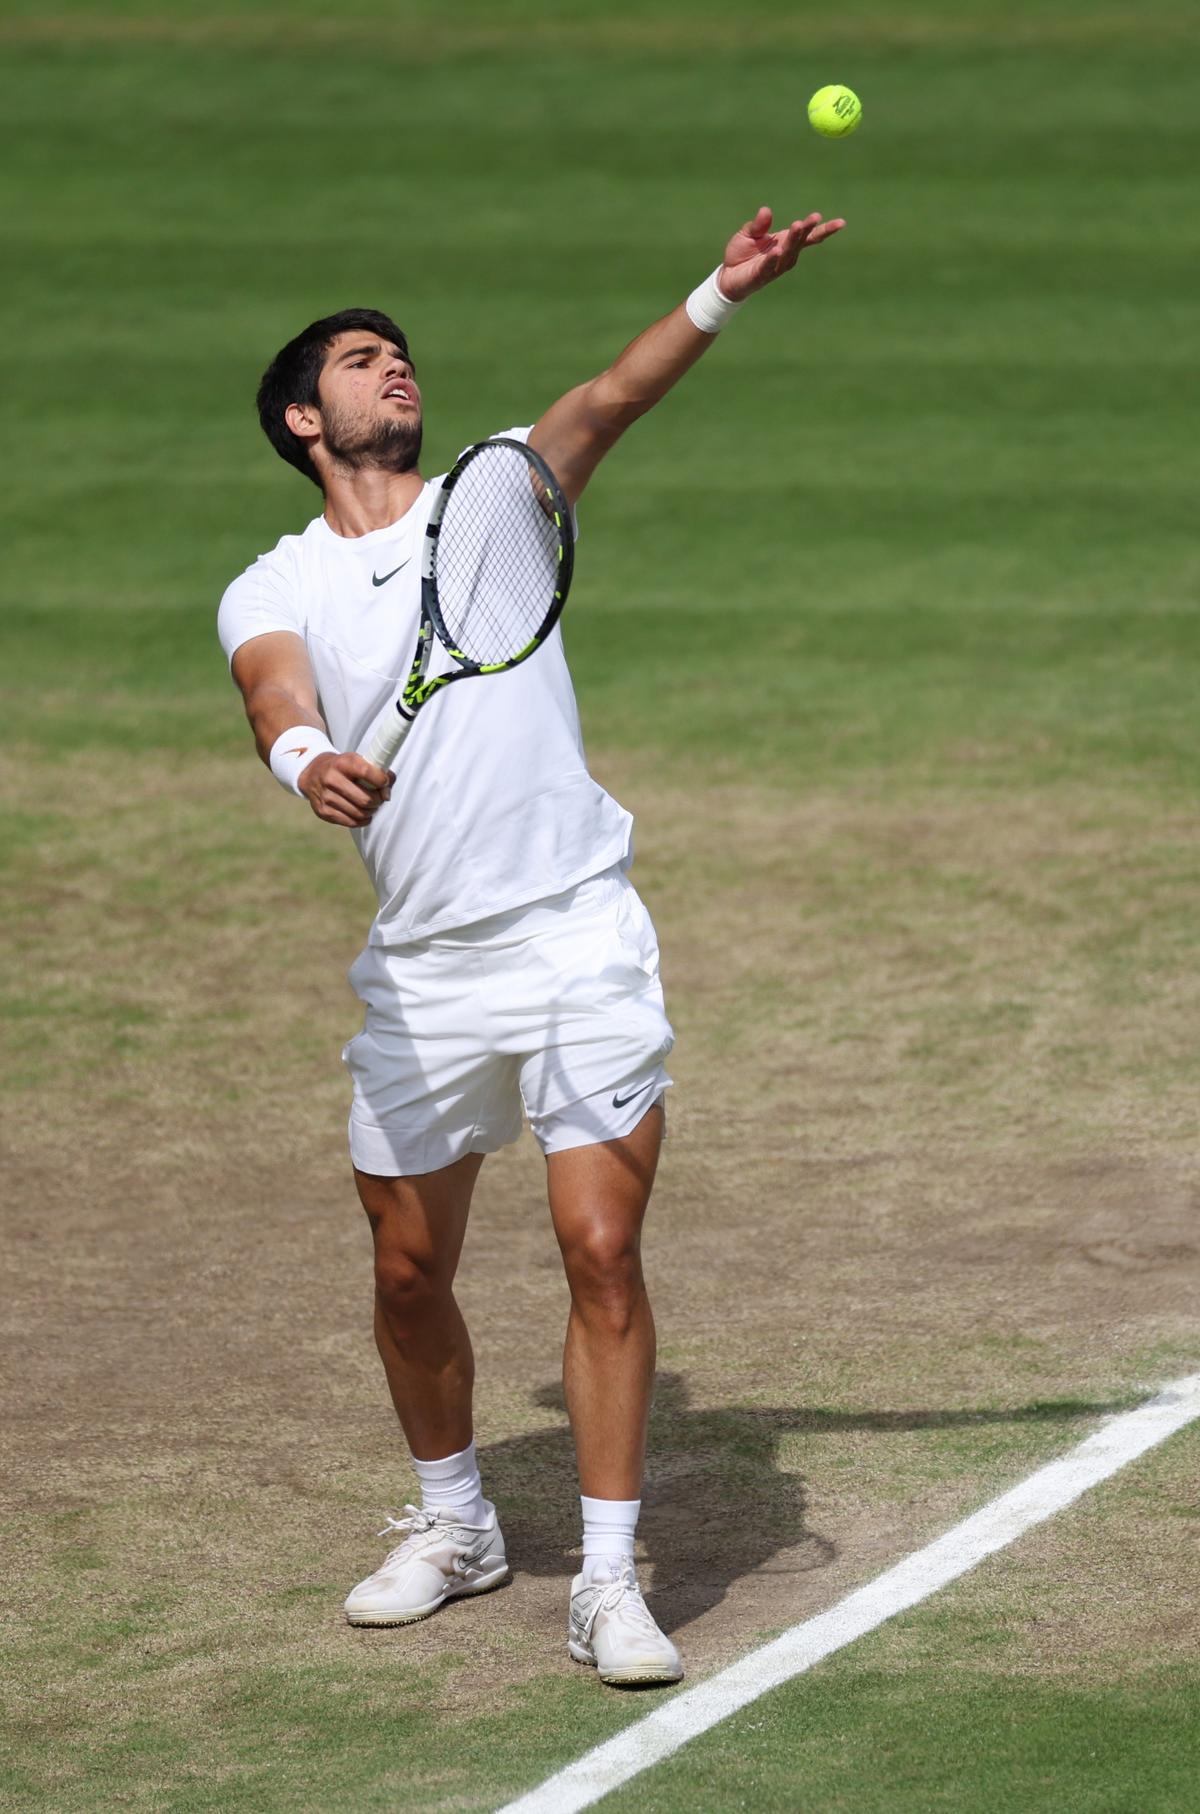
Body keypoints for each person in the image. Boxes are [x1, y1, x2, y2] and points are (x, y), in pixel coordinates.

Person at [217, 204, 844, 1689]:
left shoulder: (494, 497)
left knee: (600, 1249)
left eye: (403, 356)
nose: (396, 372)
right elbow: (272, 689)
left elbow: (605, 400)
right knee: (405, 1267)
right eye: (364, 363)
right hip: (425, 969)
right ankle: (458, 1526)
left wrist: (721, 288)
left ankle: (612, 1575)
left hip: (576, 933)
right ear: (307, 418)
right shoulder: (275, 578)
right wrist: (308, 759)